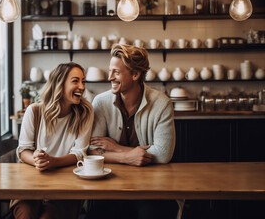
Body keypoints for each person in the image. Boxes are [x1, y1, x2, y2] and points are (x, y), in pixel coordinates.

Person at [86, 44, 178, 219]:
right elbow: (91, 149)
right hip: (111, 186)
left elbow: (163, 153)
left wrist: (117, 148)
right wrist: (127, 157)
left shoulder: (161, 103)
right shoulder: (101, 102)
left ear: (135, 75)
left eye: (116, 72)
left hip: (153, 188)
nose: (109, 77)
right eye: (109, 71)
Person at [13, 62, 94, 219]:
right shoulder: (34, 111)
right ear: (60, 84)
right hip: (31, 183)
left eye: (83, 81)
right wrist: (37, 160)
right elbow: (23, 150)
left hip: (67, 186)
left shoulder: (85, 112)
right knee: (25, 215)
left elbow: (80, 154)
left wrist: (53, 162)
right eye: (75, 81)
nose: (82, 87)